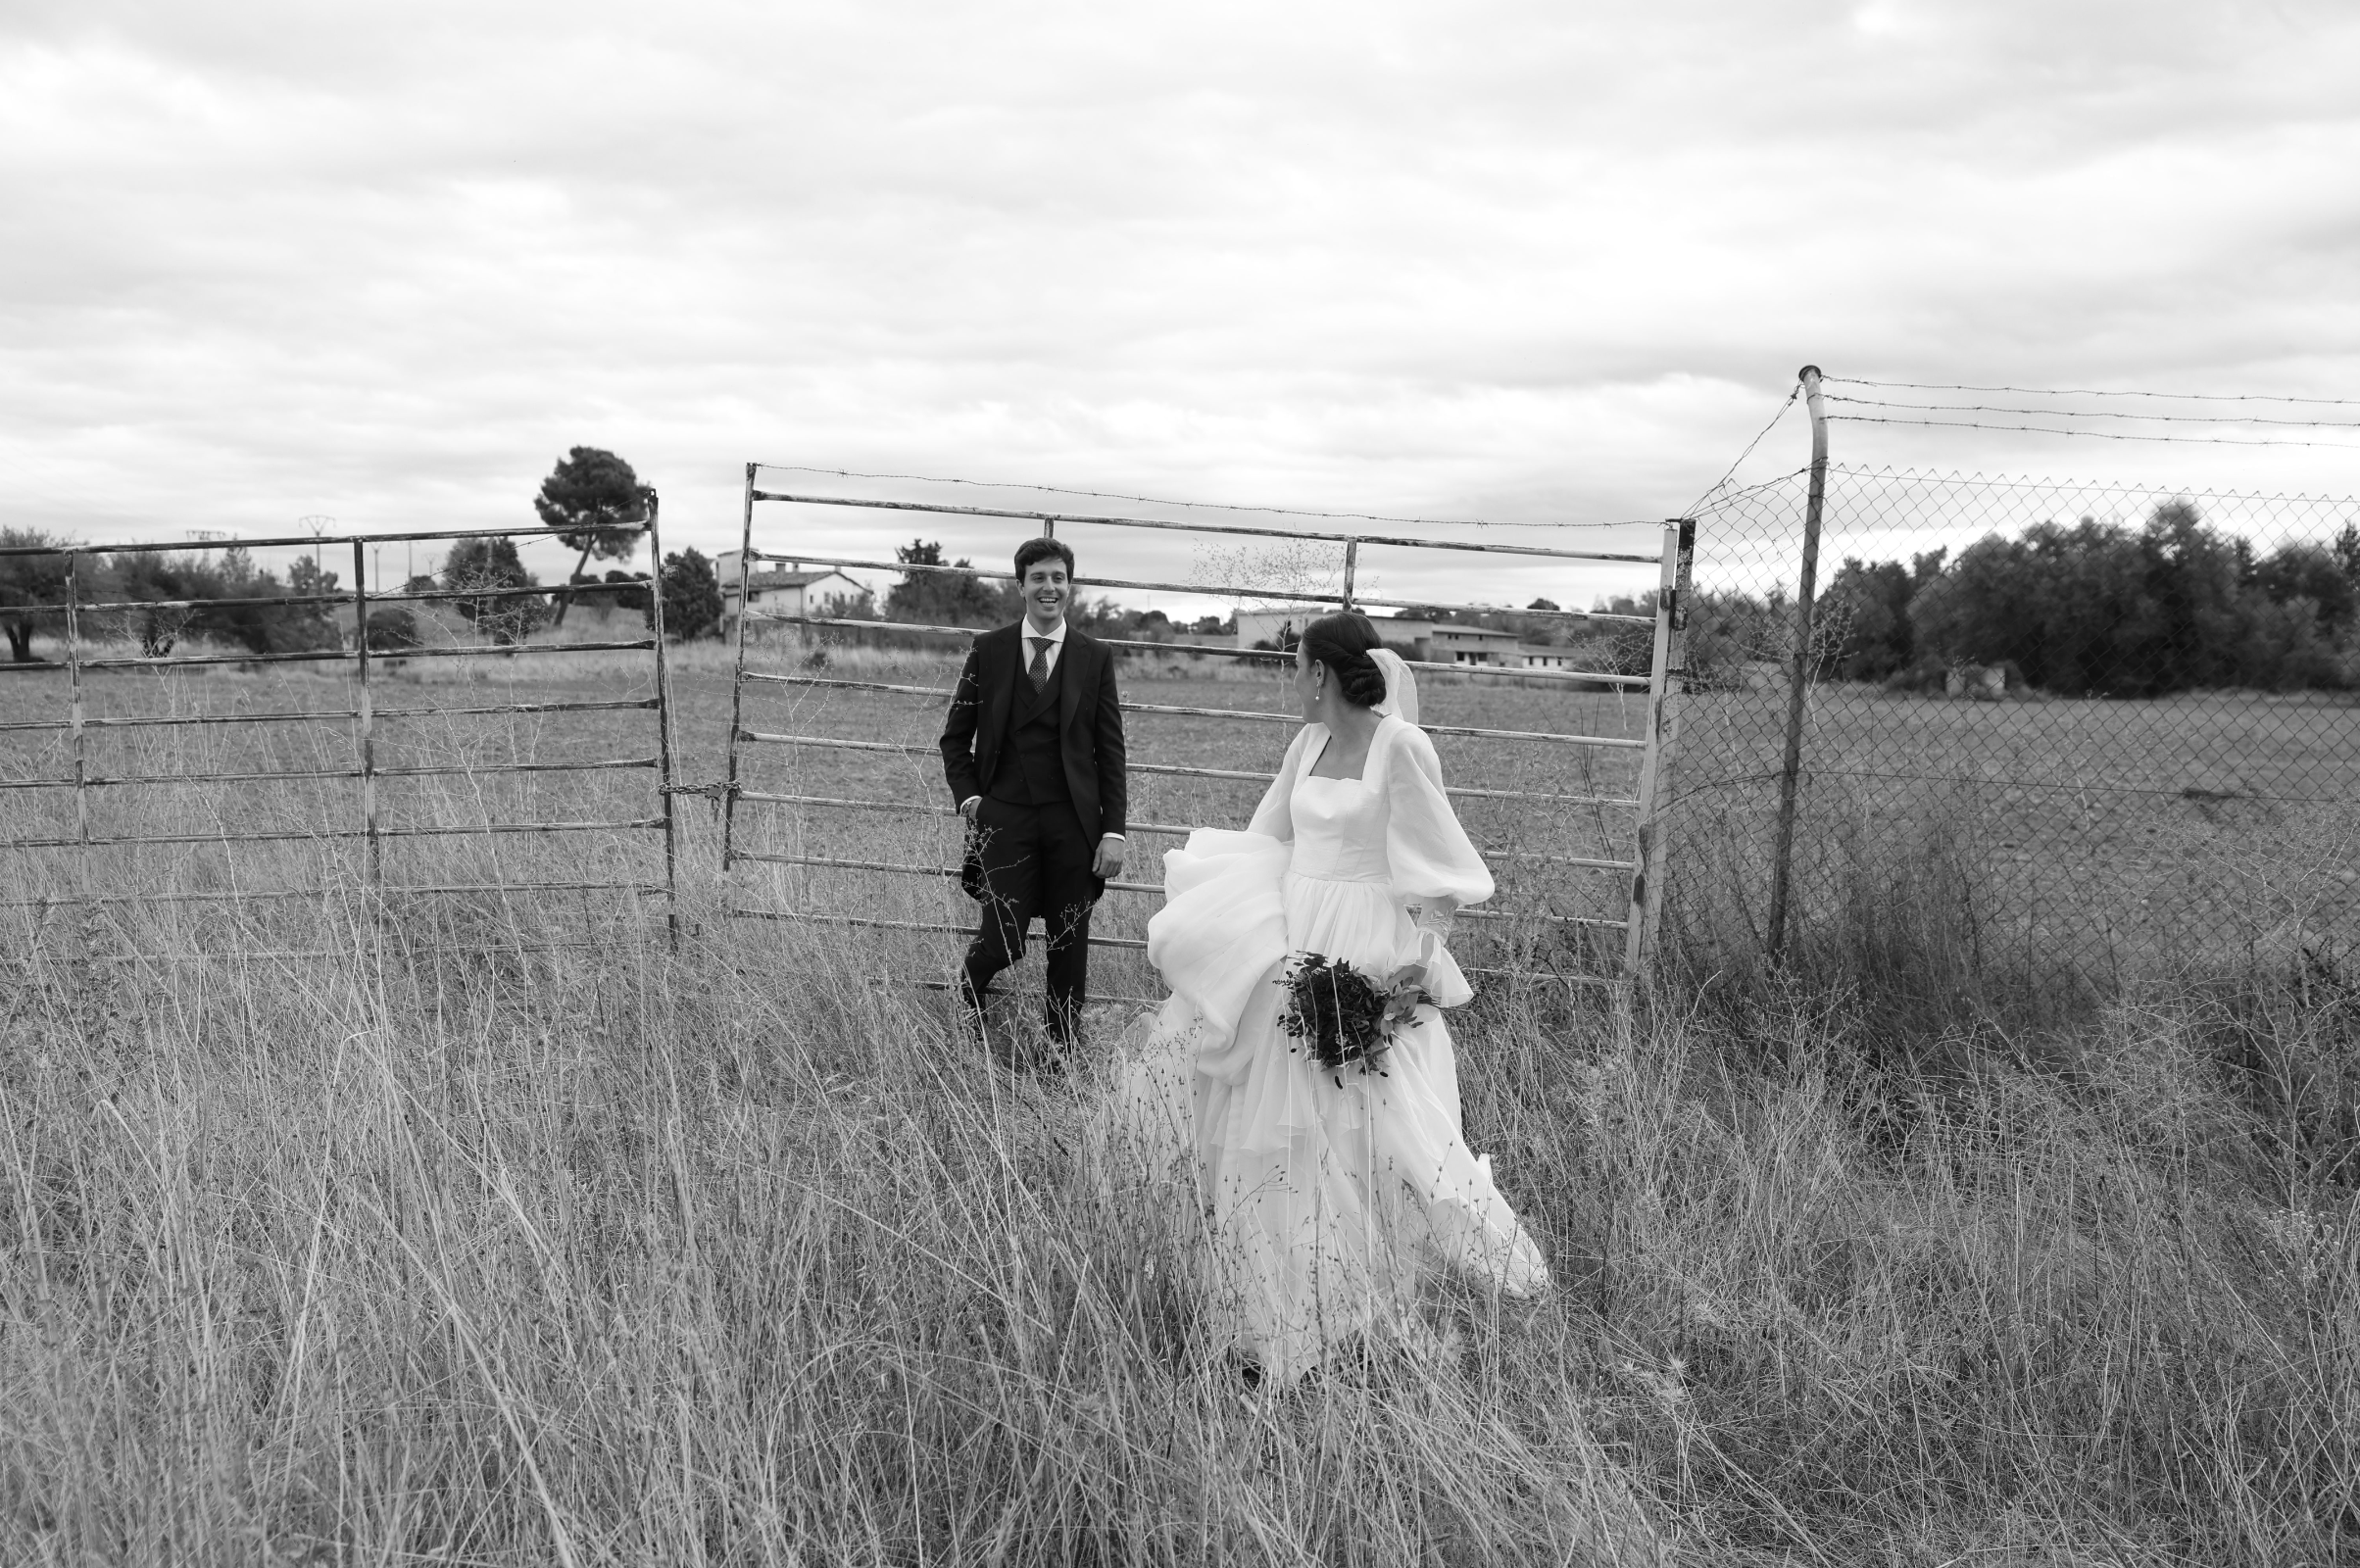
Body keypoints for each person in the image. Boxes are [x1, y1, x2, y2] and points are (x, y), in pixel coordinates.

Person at [1111, 611, 1549, 1386]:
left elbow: (1440, 875)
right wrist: (1230, 926)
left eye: (1297, 667)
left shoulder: (1401, 746)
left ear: (1321, 673)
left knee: (1367, 1117)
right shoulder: (1306, 744)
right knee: (1272, 1121)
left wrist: (1415, 964)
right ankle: (1274, 1305)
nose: (1292, 681)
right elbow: (1267, 835)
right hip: (1295, 936)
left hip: (1365, 940)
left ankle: (1368, 1304)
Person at [938, 536, 1128, 1056]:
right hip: (1004, 820)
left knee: (1069, 943)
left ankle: (1060, 1054)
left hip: (1074, 823)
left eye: (1058, 578)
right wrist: (971, 801)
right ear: (1020, 585)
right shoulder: (989, 649)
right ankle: (966, 1005)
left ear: (1070, 585)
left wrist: (1113, 831)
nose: (1049, 587)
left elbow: (1111, 752)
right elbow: (955, 738)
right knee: (1004, 938)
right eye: (1038, 577)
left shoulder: (1095, 656)